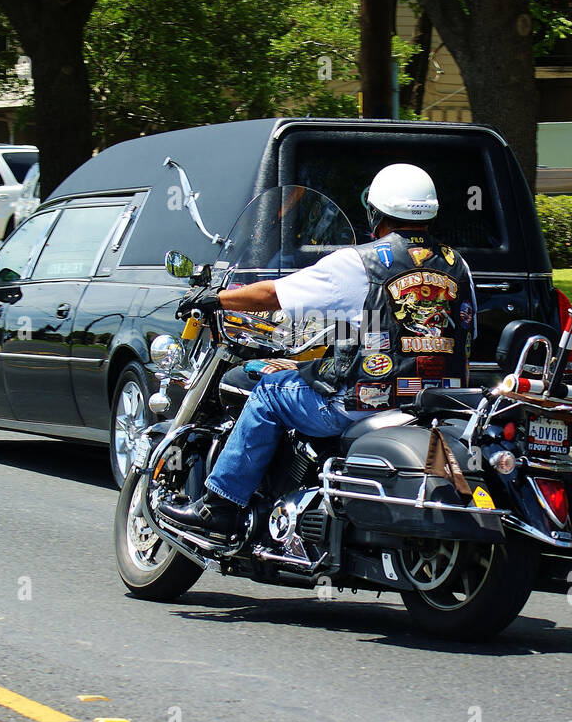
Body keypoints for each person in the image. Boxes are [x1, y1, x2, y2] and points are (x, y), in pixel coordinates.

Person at [158, 163, 477, 539]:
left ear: (375, 213)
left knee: (268, 394)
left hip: (365, 402)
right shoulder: (459, 267)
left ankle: (221, 508)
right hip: (433, 401)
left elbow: (275, 295)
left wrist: (217, 298)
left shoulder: (361, 262)